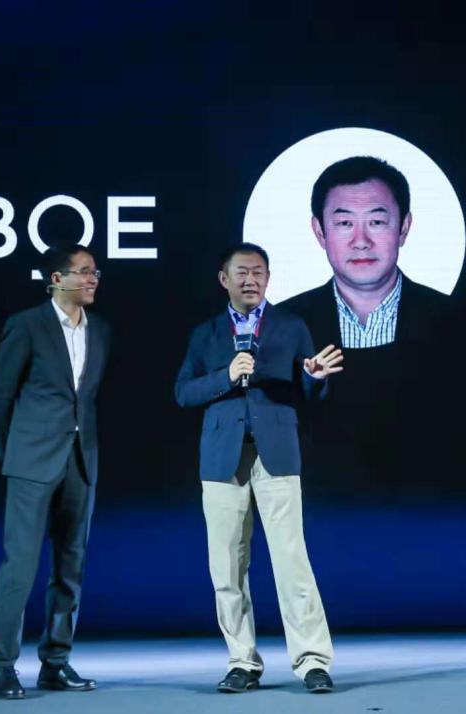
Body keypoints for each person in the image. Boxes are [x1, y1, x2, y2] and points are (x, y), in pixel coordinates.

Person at [175, 243, 343, 693]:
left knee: (292, 560)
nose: (251, 280)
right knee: (227, 566)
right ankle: (242, 661)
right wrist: (227, 375)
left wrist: (315, 376)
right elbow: (184, 392)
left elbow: (309, 389)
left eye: (259, 272)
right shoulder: (206, 333)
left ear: (268, 278)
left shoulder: (291, 326)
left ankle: (312, 661)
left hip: (276, 455)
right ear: (224, 279)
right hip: (221, 459)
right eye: (242, 272)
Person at [0, 243, 112, 699]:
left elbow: (85, 398)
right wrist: (13, 454)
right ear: (56, 279)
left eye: (95, 272)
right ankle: (2, 666)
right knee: (19, 566)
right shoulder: (27, 325)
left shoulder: (100, 330)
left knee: (70, 566)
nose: (92, 279)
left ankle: (55, 663)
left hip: (80, 460)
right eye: (83, 271)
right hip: (31, 462)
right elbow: (0, 394)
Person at [280, 155, 449, 350]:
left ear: (403, 228)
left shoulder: (457, 317)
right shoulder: (278, 326)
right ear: (320, 232)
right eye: (345, 223)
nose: (361, 242)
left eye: (376, 222)